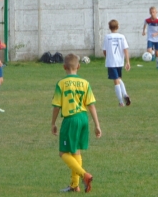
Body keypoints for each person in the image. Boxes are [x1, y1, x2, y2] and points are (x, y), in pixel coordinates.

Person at [51, 53, 102, 193]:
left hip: (70, 119)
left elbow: (56, 106)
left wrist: (53, 123)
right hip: (83, 118)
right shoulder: (85, 83)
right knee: (76, 151)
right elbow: (91, 105)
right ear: (78, 66)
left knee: (63, 153)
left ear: (64, 67)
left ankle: (84, 175)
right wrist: (97, 125)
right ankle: (75, 185)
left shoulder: (61, 83)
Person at [103, 19, 131, 107]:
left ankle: (121, 102)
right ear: (118, 27)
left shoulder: (107, 37)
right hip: (120, 61)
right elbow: (125, 49)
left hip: (111, 62)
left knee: (116, 81)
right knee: (118, 78)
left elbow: (104, 50)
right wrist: (127, 62)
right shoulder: (122, 36)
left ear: (109, 27)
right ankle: (125, 94)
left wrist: (108, 56)